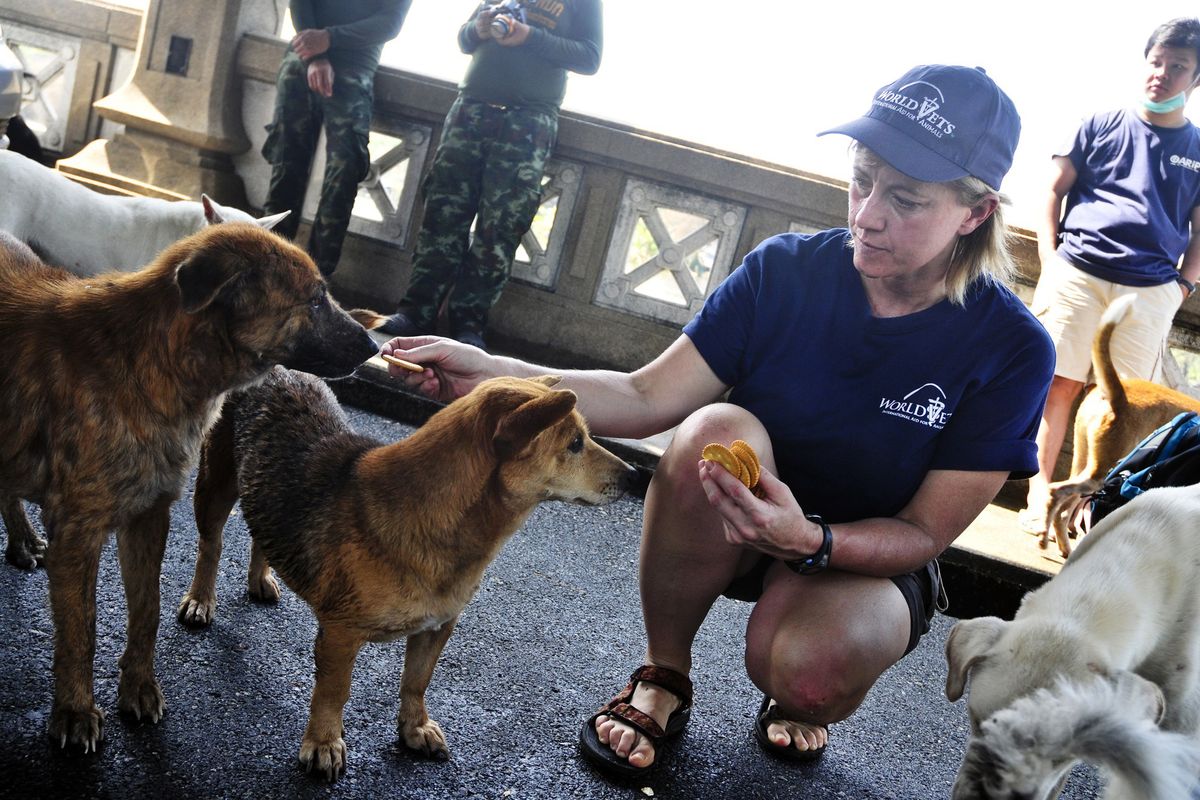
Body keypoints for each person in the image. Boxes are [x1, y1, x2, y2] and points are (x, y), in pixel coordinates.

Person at [380, 64, 1054, 775]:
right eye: (863, 179)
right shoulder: (785, 270)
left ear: (974, 214)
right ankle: (663, 672)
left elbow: (922, 533)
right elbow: (645, 399)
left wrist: (809, 539)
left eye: (907, 200)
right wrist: (493, 374)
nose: (866, 214)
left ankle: (791, 688)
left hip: (859, 557)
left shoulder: (1012, 348)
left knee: (807, 675)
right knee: (711, 428)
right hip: (728, 516)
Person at [1020, 17, 1200, 534]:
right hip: (1078, 269)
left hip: (1150, 287)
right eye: (1156, 62)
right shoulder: (1098, 123)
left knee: (1120, 401)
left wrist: (1183, 285)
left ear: (1193, 79)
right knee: (1055, 385)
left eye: (1178, 67)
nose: (1162, 75)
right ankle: (1038, 494)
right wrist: (1050, 256)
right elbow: (1053, 189)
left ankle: (1078, 509)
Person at [378, 0, 603, 350]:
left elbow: (589, 57)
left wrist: (529, 36)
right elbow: (465, 40)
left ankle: (468, 322)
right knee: (443, 212)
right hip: (471, 109)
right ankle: (416, 311)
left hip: (528, 120)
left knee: (500, 226)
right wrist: (479, 29)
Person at [261, 0, 412, 277]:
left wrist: (329, 38)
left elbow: (390, 23)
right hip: (301, 63)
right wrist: (315, 56)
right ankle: (267, 269)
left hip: (354, 72)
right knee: (286, 171)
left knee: (342, 178)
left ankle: (315, 281)